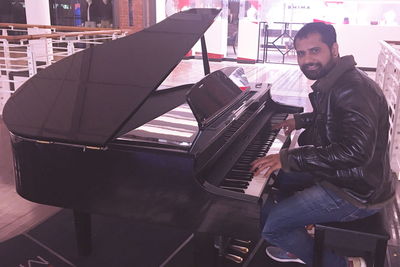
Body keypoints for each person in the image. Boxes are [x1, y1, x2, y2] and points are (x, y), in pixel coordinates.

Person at [251, 22, 396, 267]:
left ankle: (342, 264)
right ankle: (299, 230)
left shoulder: (353, 90)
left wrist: (288, 158)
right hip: (350, 176)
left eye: (315, 51)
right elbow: (332, 117)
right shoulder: (338, 79)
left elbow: (354, 152)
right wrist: (299, 120)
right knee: (279, 179)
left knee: (272, 226)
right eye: (301, 53)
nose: (307, 59)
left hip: (355, 192)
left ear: (334, 49)